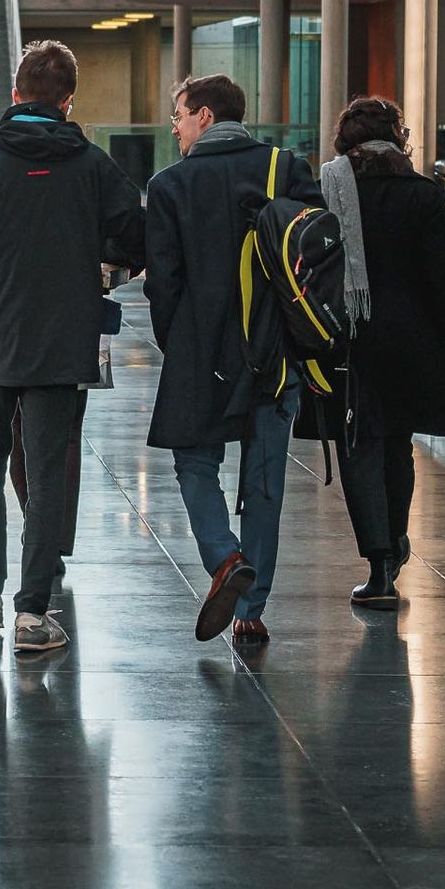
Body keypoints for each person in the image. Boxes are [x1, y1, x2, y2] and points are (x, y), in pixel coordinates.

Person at [0, 40, 144, 653]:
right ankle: (33, 614)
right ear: (69, 99)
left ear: (16, 94)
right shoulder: (95, 167)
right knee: (49, 473)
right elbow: (135, 238)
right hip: (62, 339)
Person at [145, 72, 322, 647]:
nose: (174, 128)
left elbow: (163, 283)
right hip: (274, 349)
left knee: (195, 463)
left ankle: (224, 557)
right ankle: (251, 605)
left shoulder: (171, 186)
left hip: (200, 349)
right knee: (265, 473)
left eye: (178, 115)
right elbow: (315, 255)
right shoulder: (284, 170)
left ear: (204, 116)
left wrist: (178, 342)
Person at [314, 97, 445, 608]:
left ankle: (380, 561)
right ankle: (395, 541)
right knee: (397, 445)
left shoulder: (331, 188)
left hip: (348, 336)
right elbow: (437, 274)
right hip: (409, 337)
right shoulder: (422, 195)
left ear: (347, 141)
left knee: (358, 445)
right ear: (396, 139)